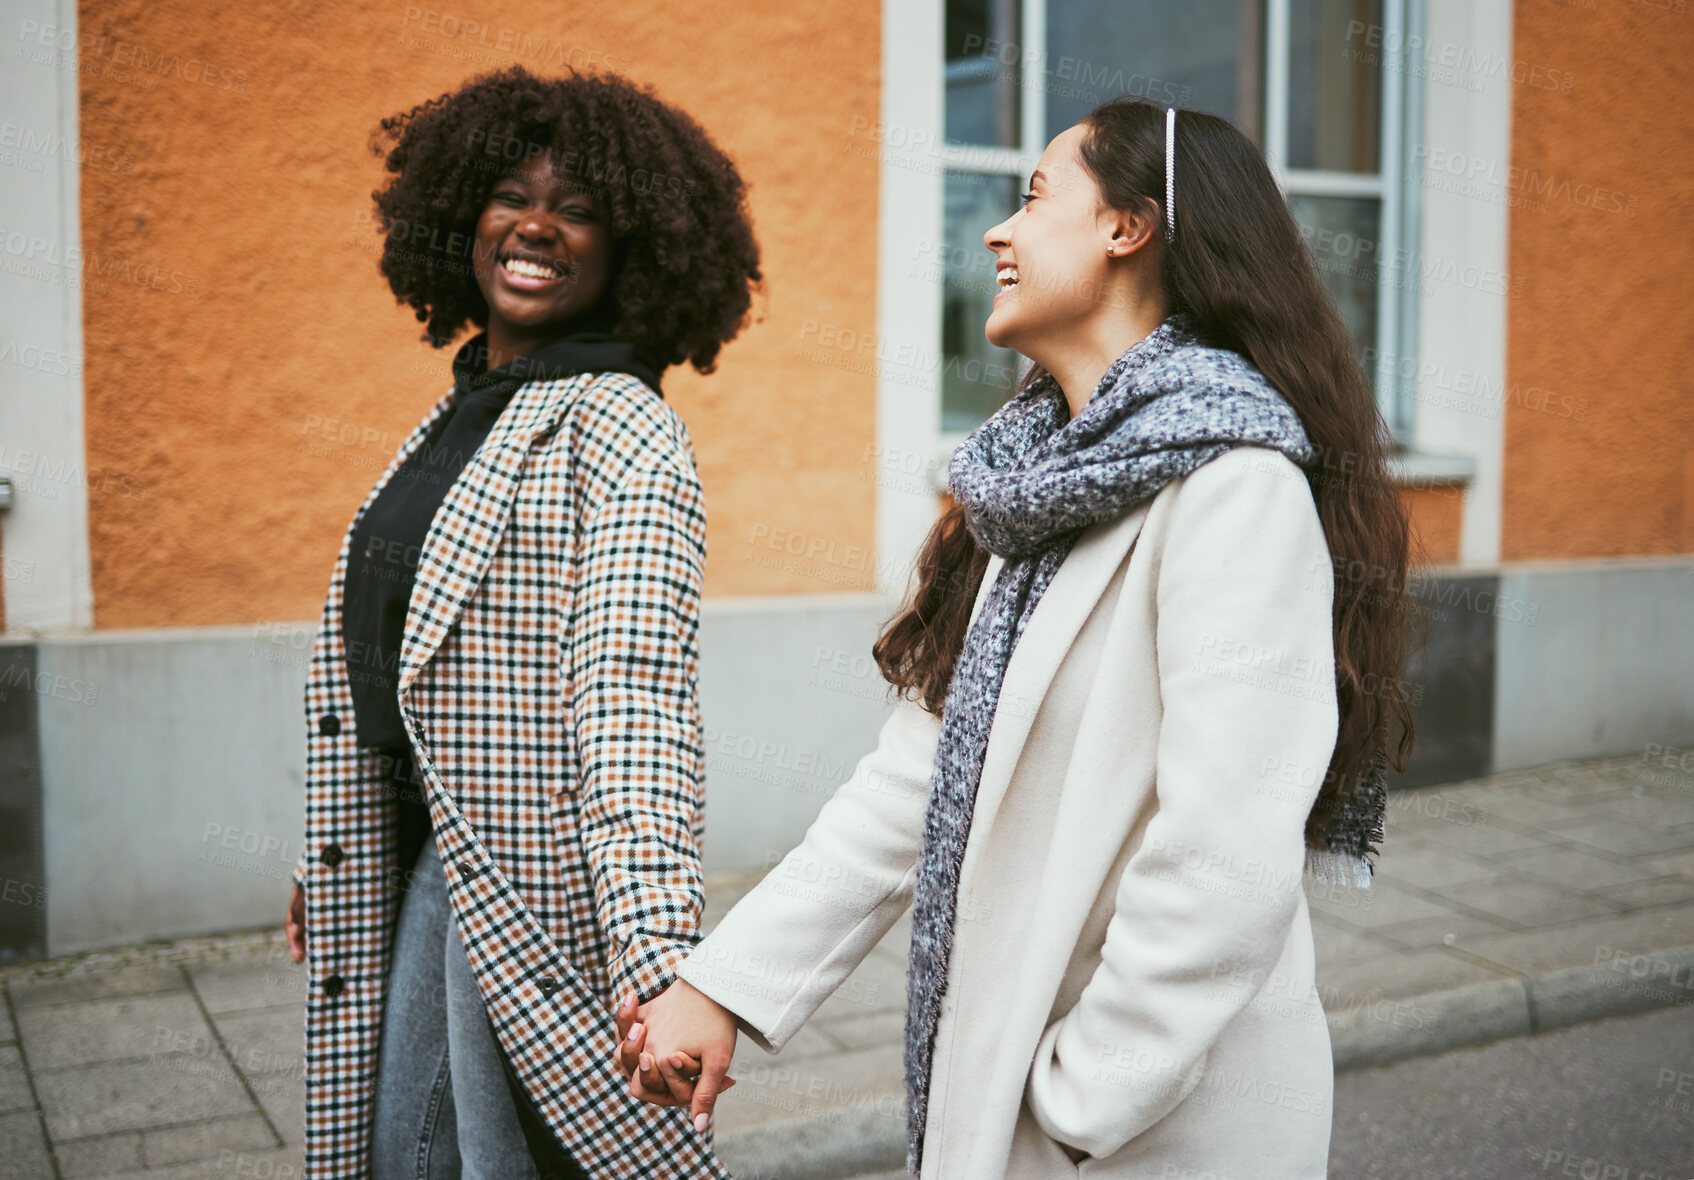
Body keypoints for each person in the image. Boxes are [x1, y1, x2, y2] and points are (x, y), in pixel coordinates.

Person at [614, 98, 1418, 1179]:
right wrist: (719, 987)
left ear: (1126, 228)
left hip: (1150, 1128)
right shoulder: (1031, 492)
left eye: (1036, 197)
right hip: (1019, 1094)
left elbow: (1224, 854)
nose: (998, 231)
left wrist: (1077, 1100)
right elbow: (908, 787)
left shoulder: (1234, 490)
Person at [282, 64, 761, 1180]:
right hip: (413, 858)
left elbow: (632, 690)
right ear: (460, 215)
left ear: (636, 248)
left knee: (424, 1155)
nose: (535, 224)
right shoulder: (467, 411)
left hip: (519, 896)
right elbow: (393, 666)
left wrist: (656, 948)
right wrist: (336, 853)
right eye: (510, 193)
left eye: (578, 208)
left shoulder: (621, 426)